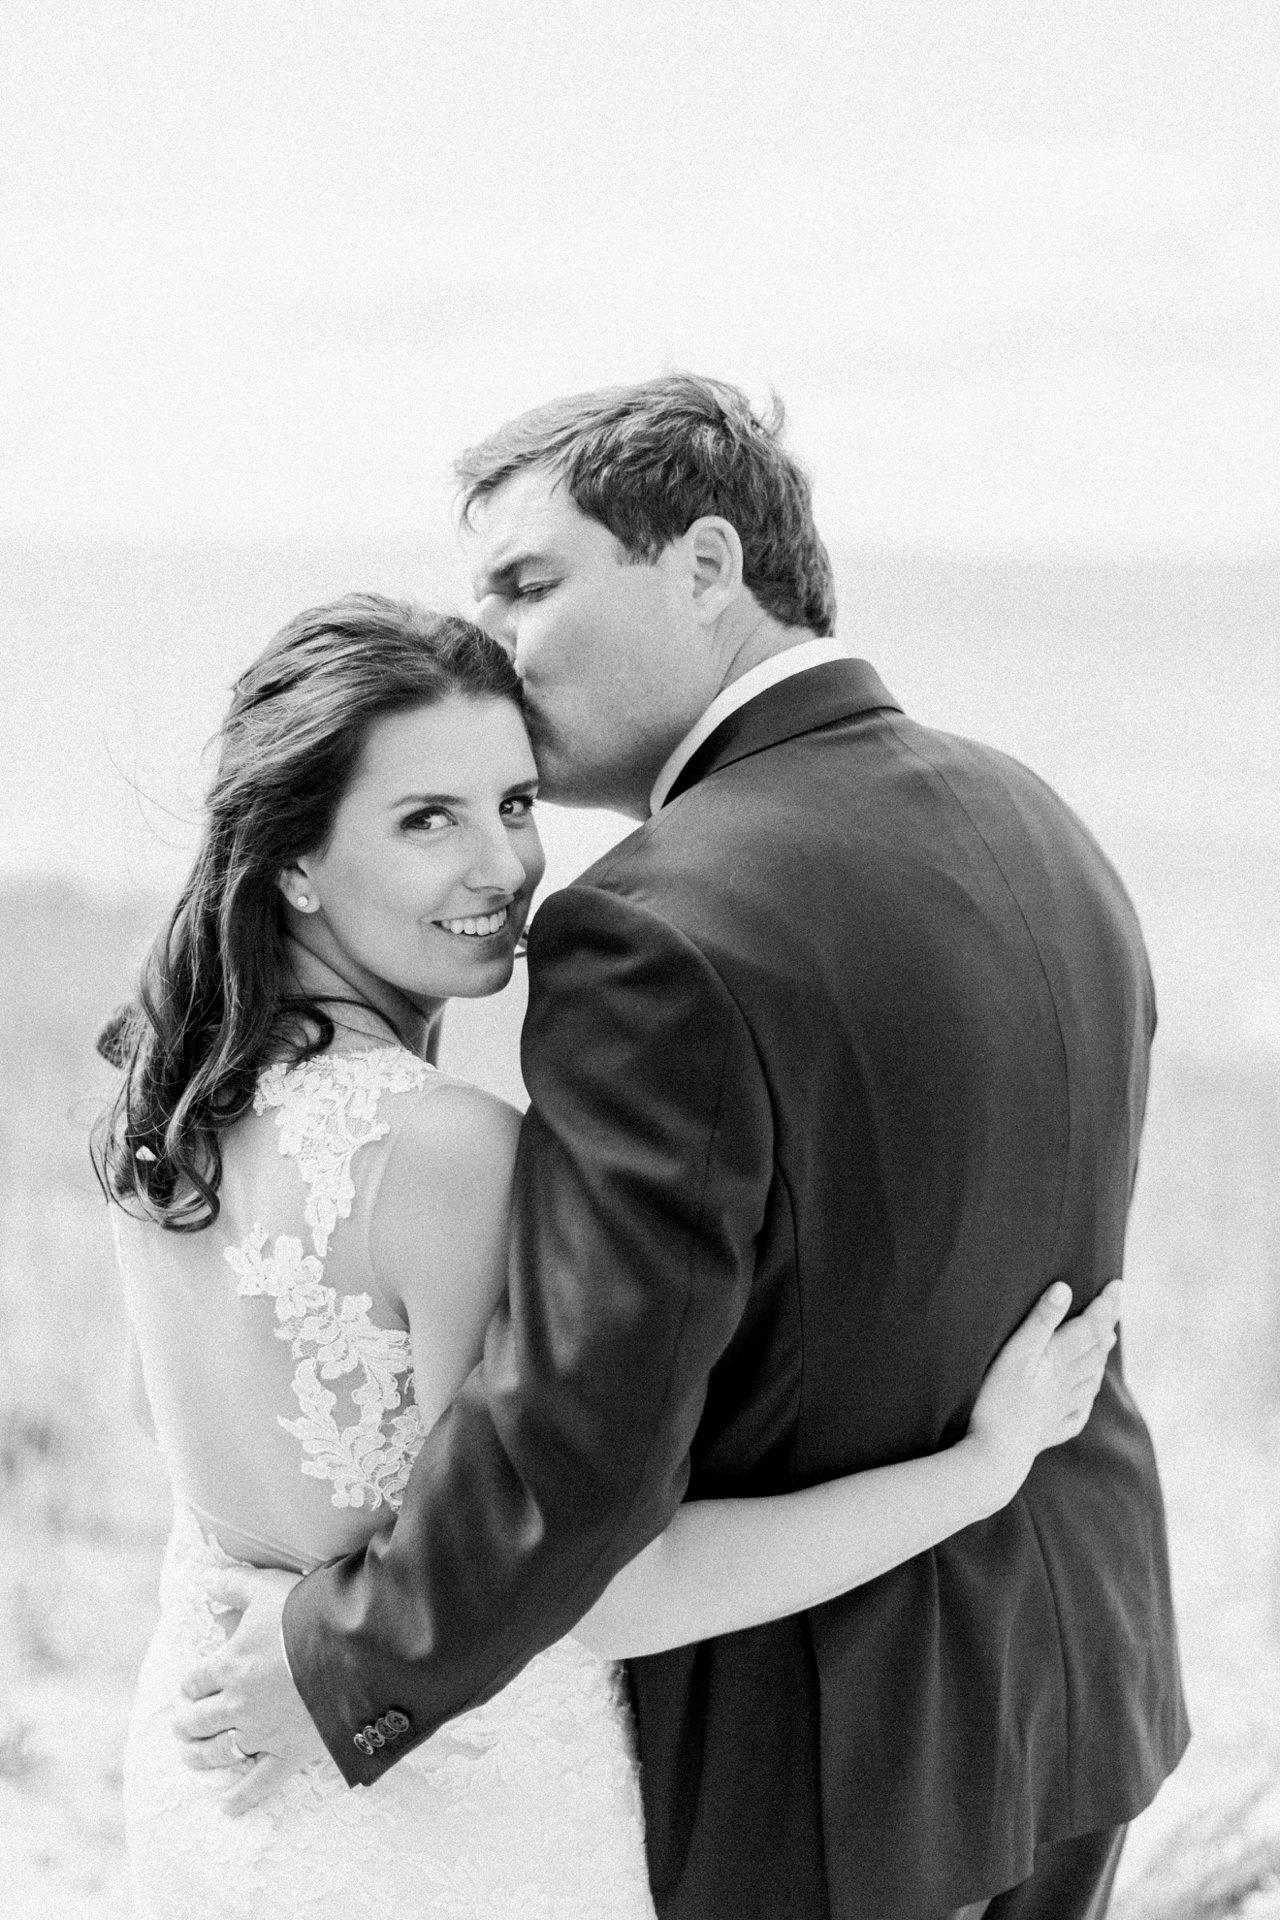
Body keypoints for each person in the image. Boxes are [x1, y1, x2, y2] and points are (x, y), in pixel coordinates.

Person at [173, 377, 1189, 1920]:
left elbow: (585, 1445)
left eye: (531, 581)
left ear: (707, 566)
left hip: (838, 1764)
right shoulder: (1037, 817)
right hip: (1080, 1682)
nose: (500, 645)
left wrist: (339, 1660)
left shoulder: (657, 928)